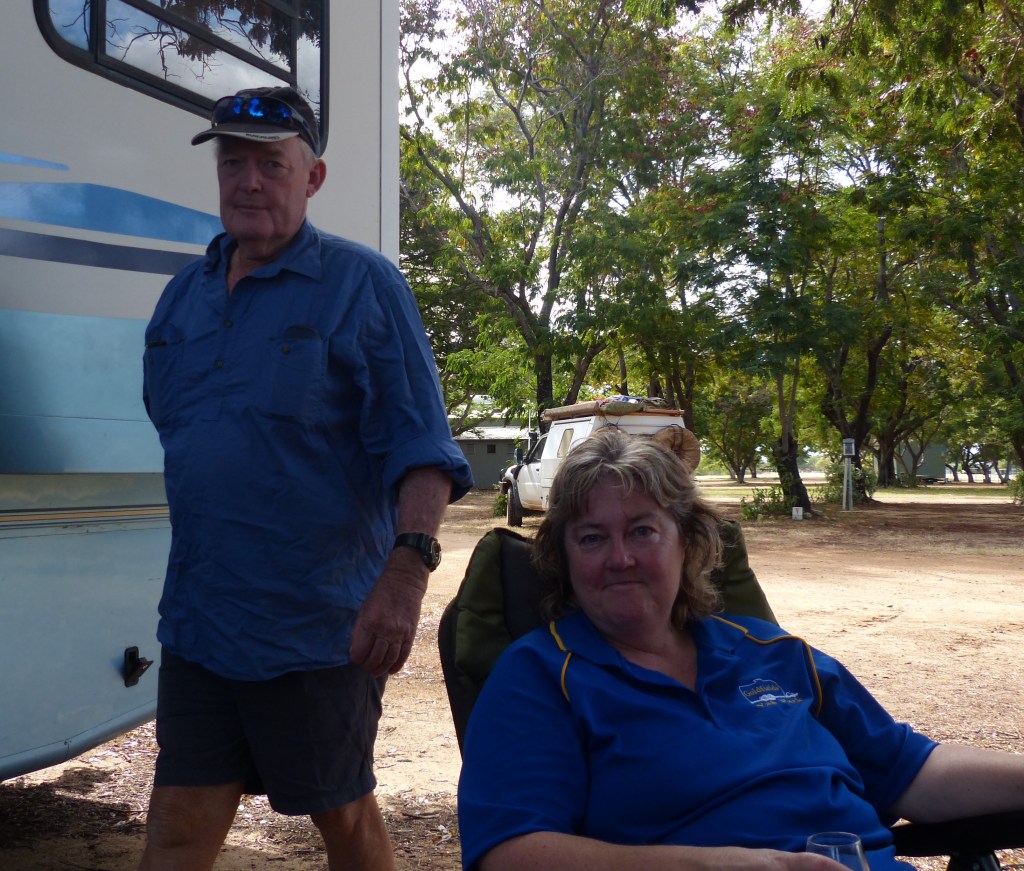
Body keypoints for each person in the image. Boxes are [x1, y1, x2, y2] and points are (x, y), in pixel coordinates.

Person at [140, 86, 473, 871]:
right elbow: (179, 427)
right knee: (179, 822)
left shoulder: (363, 285)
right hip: (200, 620)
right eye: (233, 163)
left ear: (313, 177)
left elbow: (422, 446)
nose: (249, 181)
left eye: (271, 165)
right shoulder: (182, 298)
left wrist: (406, 576)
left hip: (317, 627)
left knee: (343, 815)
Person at [457, 427, 1024, 871]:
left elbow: (910, 770)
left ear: (688, 542)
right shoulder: (542, 675)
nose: (620, 558)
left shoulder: (774, 653)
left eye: (643, 531)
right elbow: (509, 852)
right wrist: (720, 865)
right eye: (591, 538)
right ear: (563, 558)